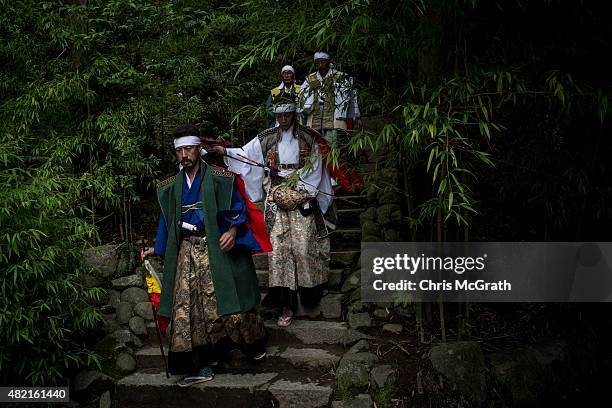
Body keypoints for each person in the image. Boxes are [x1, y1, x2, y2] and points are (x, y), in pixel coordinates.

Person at [140, 124, 272, 387]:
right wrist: (159, 247)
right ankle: (201, 361)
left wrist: (233, 231)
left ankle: (250, 343)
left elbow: (238, 207)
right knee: (188, 309)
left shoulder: (220, 177)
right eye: (180, 150)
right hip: (187, 252)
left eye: (189, 148)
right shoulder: (170, 187)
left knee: (230, 301)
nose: (184, 154)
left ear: (199, 148)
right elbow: (166, 221)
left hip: (216, 247)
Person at [208, 103, 332, 327]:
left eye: (287, 114)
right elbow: (246, 155)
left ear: (294, 114)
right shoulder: (266, 138)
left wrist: (299, 194)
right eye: (279, 115)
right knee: (279, 251)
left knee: (303, 247)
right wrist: (224, 151)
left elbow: (315, 167)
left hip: (301, 197)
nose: (283, 119)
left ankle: (309, 297)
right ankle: (286, 303)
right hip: (276, 197)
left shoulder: (308, 137)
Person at [299, 51, 361, 145]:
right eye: (317, 63)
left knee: (334, 145)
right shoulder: (310, 78)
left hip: (335, 115)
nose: (320, 65)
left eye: (323, 62)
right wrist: (311, 89)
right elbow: (301, 97)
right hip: (315, 114)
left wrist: (357, 116)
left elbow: (350, 96)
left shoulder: (339, 76)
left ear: (328, 62)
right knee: (315, 147)